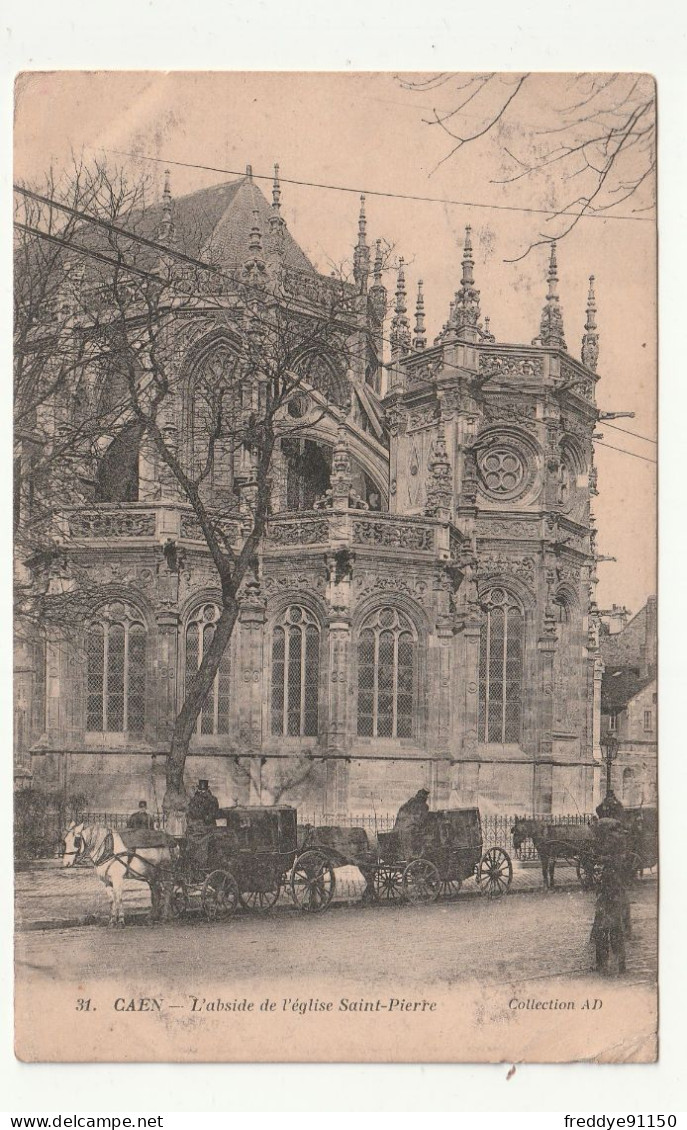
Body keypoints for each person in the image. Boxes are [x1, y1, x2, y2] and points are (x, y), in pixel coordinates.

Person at [393, 788, 431, 858]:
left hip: (398, 829)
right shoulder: (424, 806)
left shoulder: (407, 804)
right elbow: (421, 821)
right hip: (411, 830)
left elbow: (400, 816)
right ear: (424, 797)